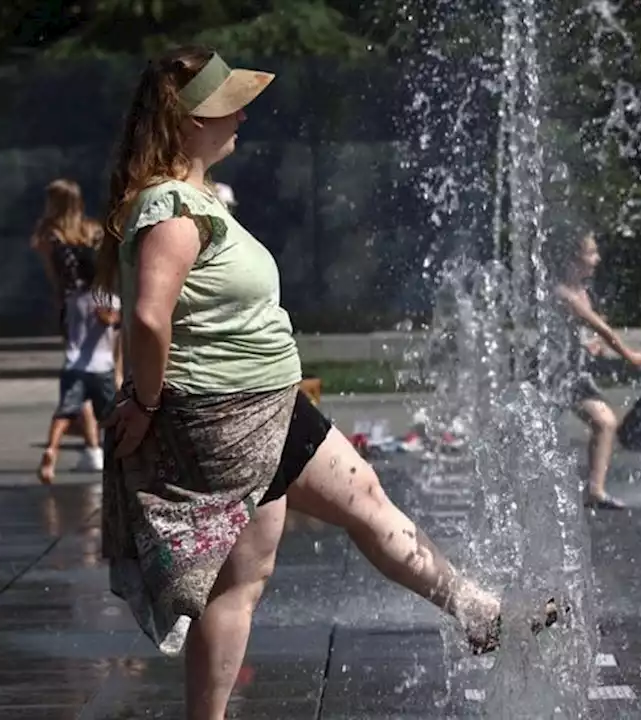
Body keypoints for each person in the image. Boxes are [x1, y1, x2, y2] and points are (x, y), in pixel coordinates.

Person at [95, 47, 558, 719]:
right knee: (245, 581)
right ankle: (471, 611)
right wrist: (144, 400)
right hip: (228, 417)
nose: (243, 117)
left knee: (340, 515)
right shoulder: (170, 208)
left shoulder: (195, 198)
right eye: (227, 107)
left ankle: (475, 610)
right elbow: (146, 315)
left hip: (267, 406)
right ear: (186, 120)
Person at [546, 231, 641, 510]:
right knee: (537, 434)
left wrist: (587, 346)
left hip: (573, 375)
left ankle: (595, 491)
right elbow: (600, 328)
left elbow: (580, 332)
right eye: (591, 253)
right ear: (572, 259)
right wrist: (629, 355)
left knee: (604, 422)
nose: (597, 258)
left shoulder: (580, 290)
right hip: (552, 376)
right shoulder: (564, 293)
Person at [30, 178, 120, 482]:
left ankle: (91, 447)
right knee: (108, 366)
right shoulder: (93, 229)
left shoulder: (48, 235)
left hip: (73, 304)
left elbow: (55, 279)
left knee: (78, 368)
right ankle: (108, 448)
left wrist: (63, 306)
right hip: (103, 299)